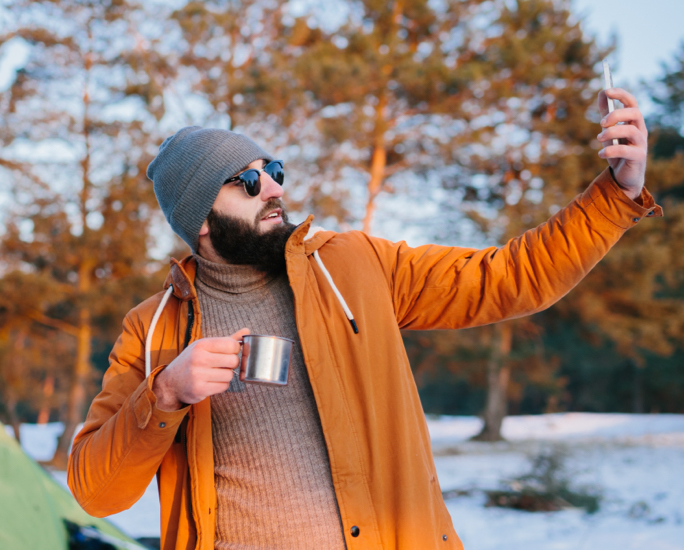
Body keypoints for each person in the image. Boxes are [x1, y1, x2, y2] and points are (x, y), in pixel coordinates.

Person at [68, 88, 661, 550]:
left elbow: (508, 276)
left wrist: (614, 193)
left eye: (273, 169)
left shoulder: (352, 267)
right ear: (201, 218)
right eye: (248, 181)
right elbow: (95, 490)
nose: (274, 187)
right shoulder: (152, 331)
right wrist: (166, 393)